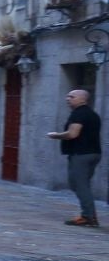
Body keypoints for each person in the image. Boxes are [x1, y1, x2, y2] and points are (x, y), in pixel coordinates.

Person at [48, 88, 102, 228]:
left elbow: (72, 134)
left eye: (71, 96)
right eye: (67, 96)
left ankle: (88, 217)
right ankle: (90, 215)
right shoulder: (91, 114)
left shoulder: (79, 114)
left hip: (81, 155)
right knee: (80, 185)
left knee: (79, 185)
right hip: (92, 153)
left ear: (82, 99)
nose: (68, 99)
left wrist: (56, 135)